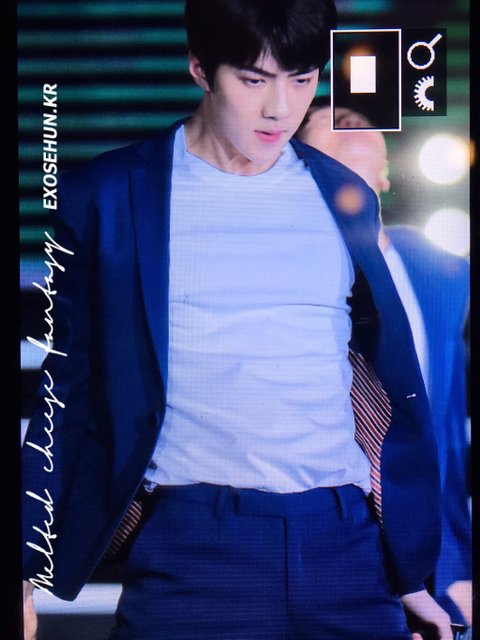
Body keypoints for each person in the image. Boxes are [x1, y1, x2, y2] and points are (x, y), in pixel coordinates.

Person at [22, 2, 453, 638]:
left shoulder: (346, 195)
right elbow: (68, 390)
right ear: (200, 68)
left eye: (302, 79)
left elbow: (372, 377)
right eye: (254, 80)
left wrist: (409, 573)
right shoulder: (110, 195)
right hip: (193, 548)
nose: (280, 108)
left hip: (347, 550)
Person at [297, 105, 472, 626]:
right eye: (327, 120)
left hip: (432, 564)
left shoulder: (438, 267)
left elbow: (443, 435)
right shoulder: (285, 272)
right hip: (322, 553)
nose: (347, 119)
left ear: (386, 172)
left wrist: (457, 566)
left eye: (359, 121)